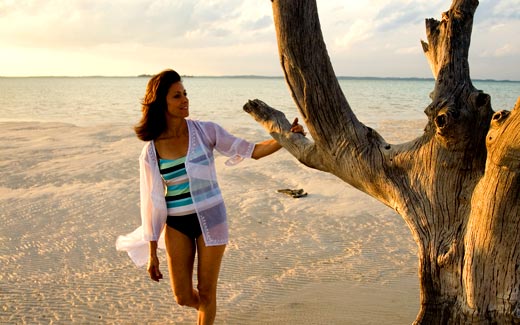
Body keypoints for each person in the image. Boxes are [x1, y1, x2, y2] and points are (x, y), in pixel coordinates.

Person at [116, 69, 304, 324]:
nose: (185, 100)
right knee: (182, 296)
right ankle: (206, 308)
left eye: (185, 93)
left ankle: (206, 311)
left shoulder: (206, 131)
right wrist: (152, 251)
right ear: (162, 102)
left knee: (207, 292)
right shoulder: (151, 150)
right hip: (176, 224)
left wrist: (286, 138)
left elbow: (253, 151)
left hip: (212, 218)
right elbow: (150, 202)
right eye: (176, 96)